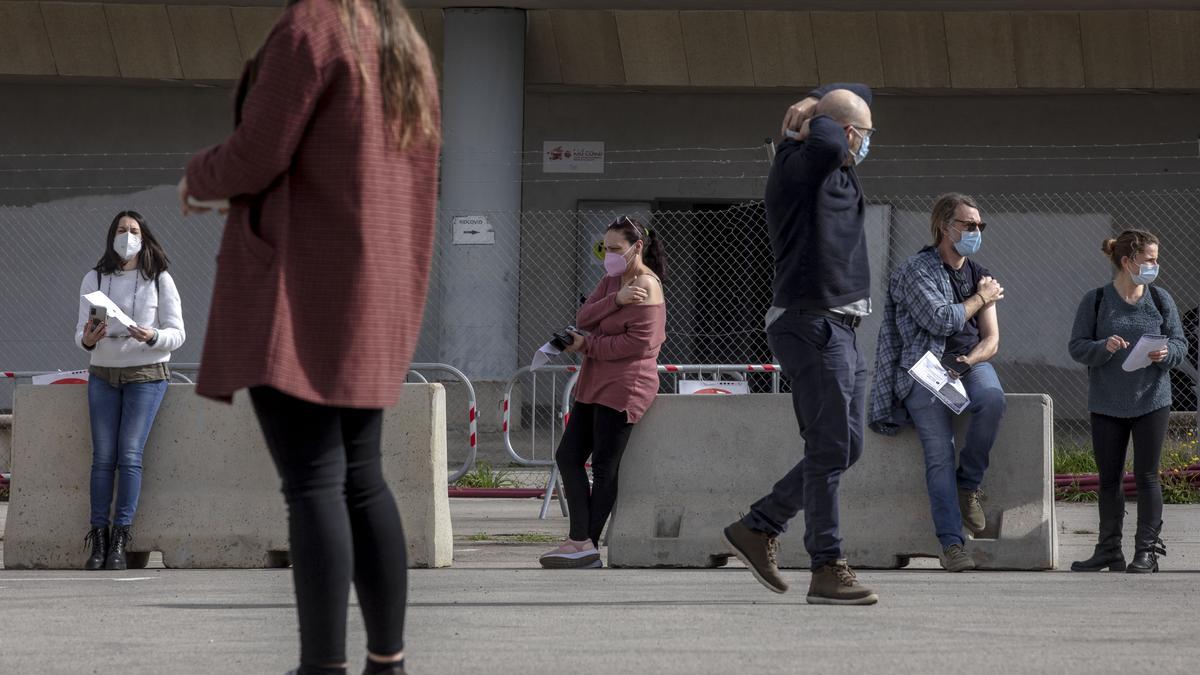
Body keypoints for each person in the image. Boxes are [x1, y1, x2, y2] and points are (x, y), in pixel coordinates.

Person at [178, 0, 440, 673]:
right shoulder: (396, 35)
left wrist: (199, 177)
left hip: (301, 290)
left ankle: (321, 665)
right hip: (370, 284)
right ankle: (389, 661)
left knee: (314, 483)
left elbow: (260, 151)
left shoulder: (312, 27)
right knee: (361, 479)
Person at [721, 83, 879, 605]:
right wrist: (816, 113)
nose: (863, 146)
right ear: (843, 132)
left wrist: (816, 96)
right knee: (831, 447)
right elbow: (832, 140)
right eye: (864, 135)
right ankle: (827, 566)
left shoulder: (830, 166)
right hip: (811, 325)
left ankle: (759, 524)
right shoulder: (798, 166)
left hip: (842, 329)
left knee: (845, 446)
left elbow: (856, 90)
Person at [868, 194, 1007, 572]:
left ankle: (969, 484)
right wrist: (982, 297)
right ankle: (952, 545)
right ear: (945, 227)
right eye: (968, 225)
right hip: (924, 369)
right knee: (939, 453)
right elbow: (941, 320)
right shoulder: (917, 271)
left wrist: (970, 360)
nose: (976, 231)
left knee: (992, 400)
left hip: (967, 363)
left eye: (980, 225)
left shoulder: (980, 272)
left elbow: (991, 339)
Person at [539, 217, 668, 569]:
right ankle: (580, 540)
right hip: (594, 382)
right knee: (568, 456)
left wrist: (587, 344)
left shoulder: (648, 286)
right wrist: (617, 299)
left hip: (625, 384)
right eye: (604, 248)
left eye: (615, 249)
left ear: (636, 247)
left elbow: (641, 343)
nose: (608, 256)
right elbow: (585, 314)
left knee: (604, 466)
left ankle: (584, 544)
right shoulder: (614, 280)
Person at [1068, 230, 1186, 574]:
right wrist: (1102, 348)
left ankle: (1146, 552)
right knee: (1109, 478)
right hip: (1106, 401)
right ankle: (1108, 551)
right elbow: (1077, 346)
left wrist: (1167, 353)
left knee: (1148, 476)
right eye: (1149, 259)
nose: (1154, 265)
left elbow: (1180, 344)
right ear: (1127, 261)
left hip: (1152, 399)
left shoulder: (1161, 299)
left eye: (1155, 259)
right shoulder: (1097, 300)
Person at [77, 211, 185, 571]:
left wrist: (152, 336)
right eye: (121, 230)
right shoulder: (94, 278)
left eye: (133, 230)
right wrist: (88, 340)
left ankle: (122, 537)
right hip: (103, 375)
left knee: (130, 454)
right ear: (111, 236)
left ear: (144, 236)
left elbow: (177, 333)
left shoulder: (159, 278)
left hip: (146, 374)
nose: (127, 236)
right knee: (103, 457)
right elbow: (80, 333)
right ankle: (99, 538)